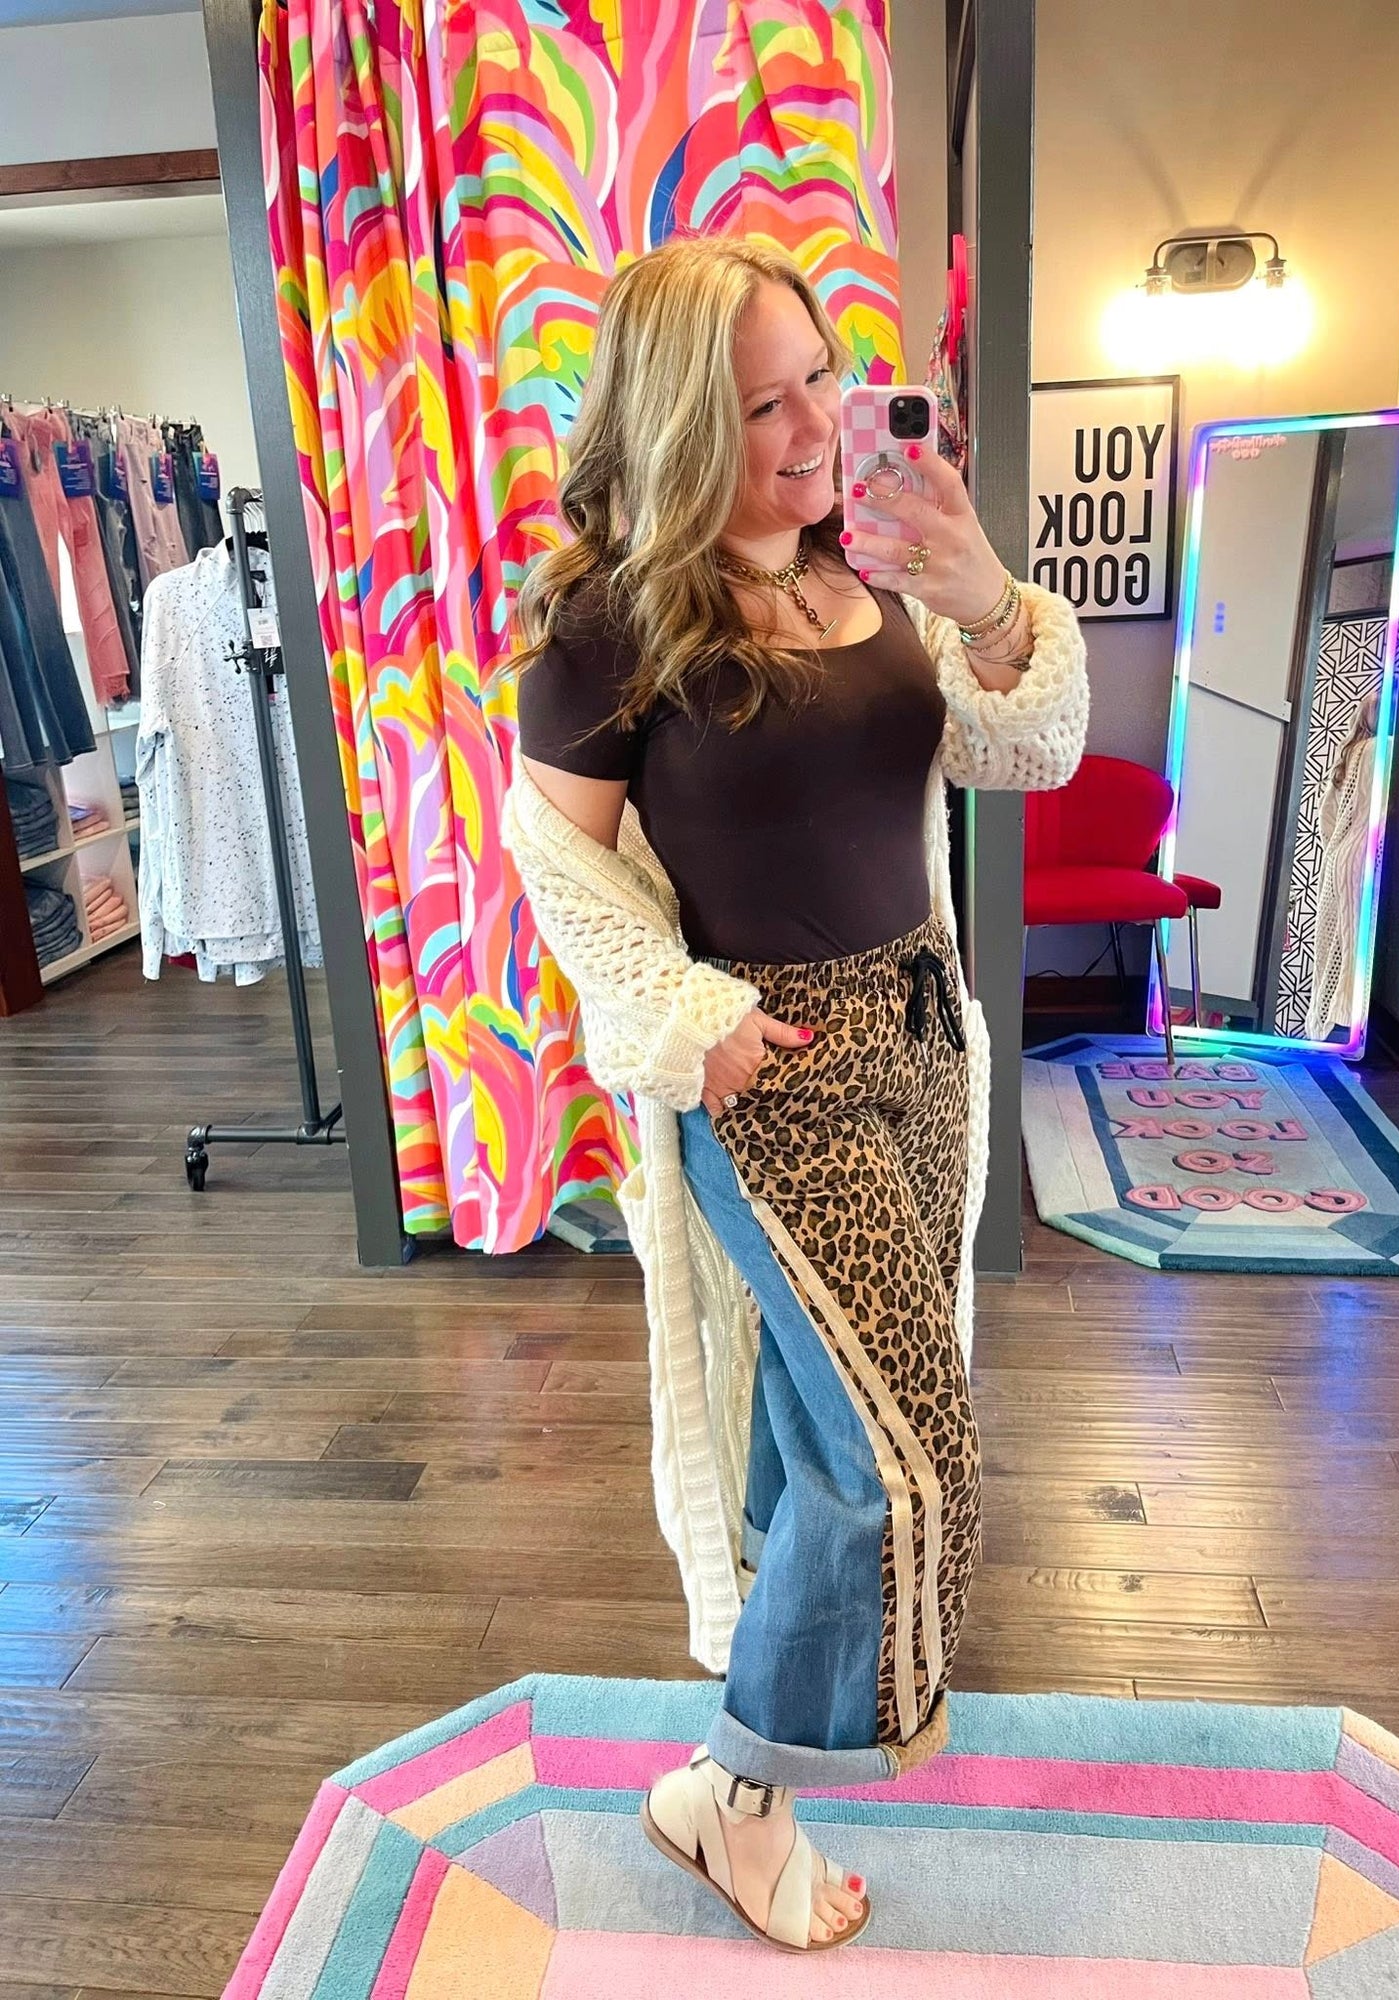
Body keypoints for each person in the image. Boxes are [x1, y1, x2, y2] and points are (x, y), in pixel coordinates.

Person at [504, 234, 1088, 1954]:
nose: (817, 425)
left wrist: (986, 595)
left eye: (822, 376)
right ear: (685, 424)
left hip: (923, 1041)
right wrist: (692, 1021)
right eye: (763, 405)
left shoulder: (876, 568)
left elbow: (1026, 749)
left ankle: (733, 1773)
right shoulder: (612, 626)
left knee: (829, 1434)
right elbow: (555, 867)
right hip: (779, 1076)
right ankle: (740, 1794)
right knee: (901, 1460)